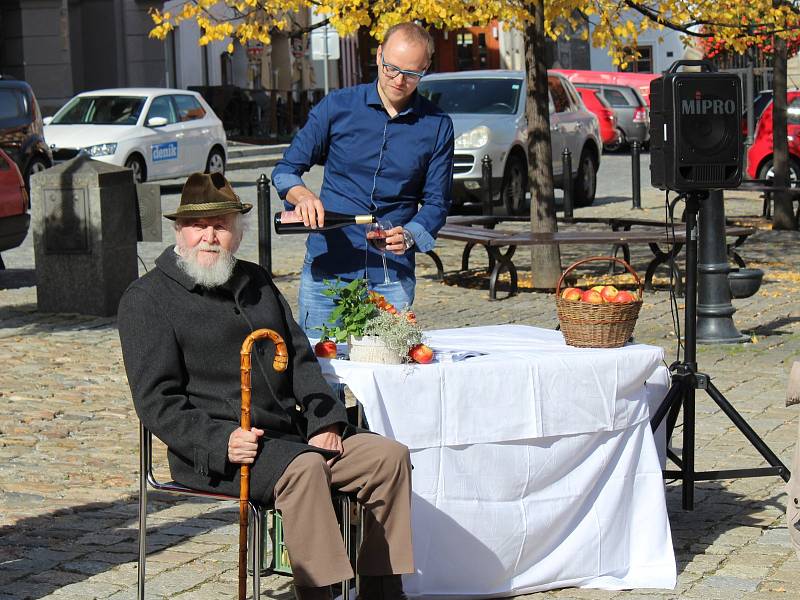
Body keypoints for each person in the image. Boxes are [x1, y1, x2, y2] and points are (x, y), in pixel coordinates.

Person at [118, 172, 413, 600]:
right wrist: (222, 441)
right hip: (222, 451)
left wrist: (325, 420)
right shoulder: (147, 299)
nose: (210, 237)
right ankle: (320, 593)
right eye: (199, 226)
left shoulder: (254, 280)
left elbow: (300, 358)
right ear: (180, 231)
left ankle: (383, 592)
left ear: (236, 233)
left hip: (293, 438)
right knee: (306, 469)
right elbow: (156, 402)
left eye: (220, 225)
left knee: (387, 458)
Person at [272, 21, 454, 337]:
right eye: (391, 69)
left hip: (390, 274)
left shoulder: (437, 125)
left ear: (425, 69)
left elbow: (437, 202)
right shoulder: (337, 106)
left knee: (391, 371)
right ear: (379, 54)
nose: (399, 80)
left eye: (411, 74)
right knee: (322, 371)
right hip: (329, 266)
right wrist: (302, 196)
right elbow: (286, 170)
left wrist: (410, 235)